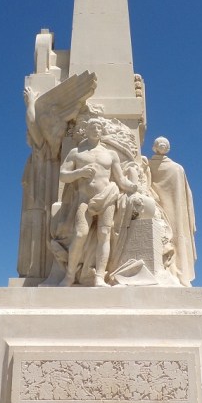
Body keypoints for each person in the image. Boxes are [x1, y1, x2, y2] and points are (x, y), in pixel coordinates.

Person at [58, 118, 137, 287]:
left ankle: (99, 276)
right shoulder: (76, 152)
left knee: (104, 234)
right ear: (86, 130)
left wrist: (134, 186)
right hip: (84, 199)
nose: (96, 129)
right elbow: (63, 175)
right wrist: (79, 172)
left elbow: (120, 180)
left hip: (107, 196)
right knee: (80, 234)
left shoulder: (110, 154)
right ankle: (69, 276)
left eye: (99, 127)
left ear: (102, 131)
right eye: (93, 127)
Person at [148, 137, 197, 285]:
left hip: (173, 210)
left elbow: (185, 196)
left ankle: (177, 273)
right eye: (160, 143)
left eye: (165, 144)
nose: (162, 145)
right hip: (156, 208)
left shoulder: (176, 168)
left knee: (175, 237)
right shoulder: (147, 166)